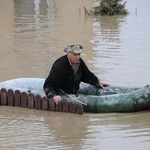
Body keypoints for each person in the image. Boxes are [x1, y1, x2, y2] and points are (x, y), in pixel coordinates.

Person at [43, 44, 110, 105]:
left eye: (79, 54)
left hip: (73, 91)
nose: (77, 57)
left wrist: (97, 82)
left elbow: (87, 75)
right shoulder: (59, 66)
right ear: (68, 54)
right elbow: (49, 84)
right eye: (75, 55)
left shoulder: (79, 62)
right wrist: (54, 96)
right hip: (61, 92)